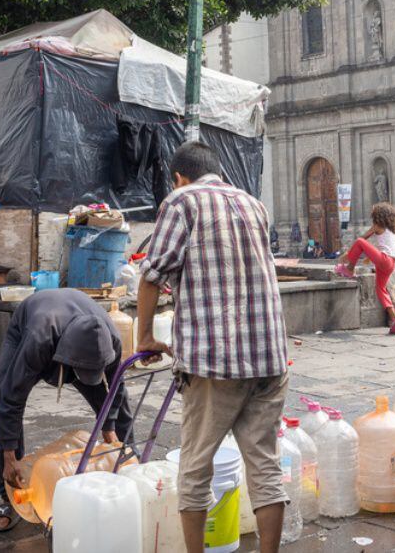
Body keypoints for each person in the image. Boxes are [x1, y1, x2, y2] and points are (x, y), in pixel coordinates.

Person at [135, 141, 289, 553]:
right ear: (217, 171)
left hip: (215, 362)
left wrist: (145, 337)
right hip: (269, 356)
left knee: (196, 466)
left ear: (179, 177)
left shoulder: (181, 201)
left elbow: (151, 275)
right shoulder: (253, 204)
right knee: (264, 464)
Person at [0, 289, 135, 532]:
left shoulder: (112, 339)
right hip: (30, 325)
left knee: (120, 407)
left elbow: (116, 390)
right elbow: (11, 400)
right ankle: (10, 497)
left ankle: (130, 468)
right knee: (7, 393)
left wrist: (109, 429)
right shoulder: (38, 340)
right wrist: (9, 457)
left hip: (73, 336)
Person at [333, 202, 395, 335]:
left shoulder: (377, 226)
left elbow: (362, 239)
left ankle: (349, 269)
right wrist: (370, 257)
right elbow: (386, 247)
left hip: (384, 260)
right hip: (391, 263)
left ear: (378, 216)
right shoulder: (391, 230)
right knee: (381, 289)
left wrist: (348, 254)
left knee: (360, 242)